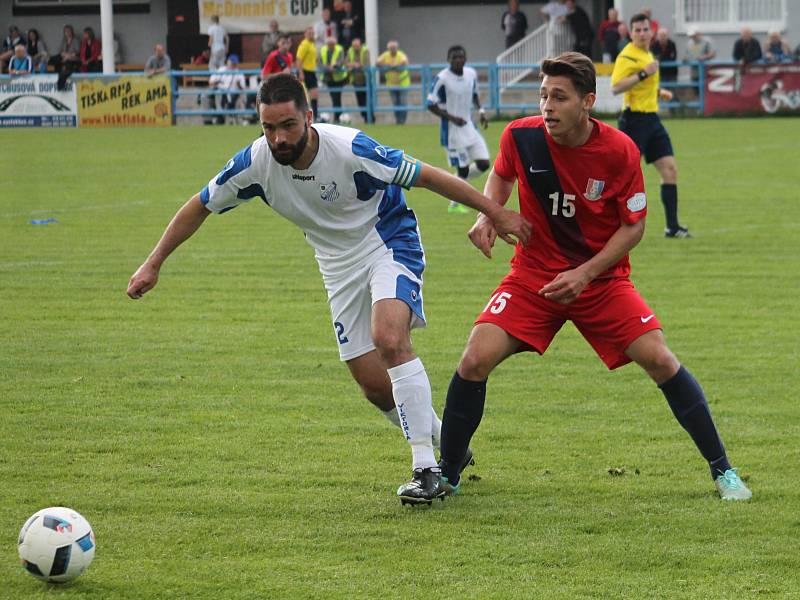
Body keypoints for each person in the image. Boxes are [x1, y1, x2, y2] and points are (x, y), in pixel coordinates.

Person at [126, 73, 531, 506]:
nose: (278, 138)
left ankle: (426, 468)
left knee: (390, 339)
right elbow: (200, 204)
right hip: (336, 268)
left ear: (309, 117)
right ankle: (446, 440)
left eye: (288, 126)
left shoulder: (349, 148)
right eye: (268, 128)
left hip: (387, 242)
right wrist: (154, 263)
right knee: (375, 387)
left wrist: (495, 213)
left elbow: (428, 176)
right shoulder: (255, 163)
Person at [437, 52, 752, 504]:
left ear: (588, 101)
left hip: (601, 282)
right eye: (543, 95)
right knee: (473, 359)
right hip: (533, 277)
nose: (547, 106)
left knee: (661, 360)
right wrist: (490, 215)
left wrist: (584, 274)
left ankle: (724, 471)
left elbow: (634, 226)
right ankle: (447, 472)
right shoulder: (520, 136)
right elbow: (501, 175)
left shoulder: (620, 151)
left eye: (559, 97)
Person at [611, 13, 689, 238]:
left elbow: (642, 86)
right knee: (623, 178)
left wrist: (657, 91)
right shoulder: (627, 56)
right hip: (634, 121)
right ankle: (610, 224)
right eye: (638, 30)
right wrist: (644, 73)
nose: (642, 33)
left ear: (651, 31)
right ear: (631, 32)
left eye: (646, 30)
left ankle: (672, 227)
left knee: (670, 170)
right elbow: (616, 87)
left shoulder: (647, 53)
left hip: (652, 119)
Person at [427, 45, 490, 215]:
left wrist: (481, 111)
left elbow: (475, 94)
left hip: (469, 126)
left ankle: (455, 183)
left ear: (465, 58)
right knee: (462, 169)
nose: (458, 60)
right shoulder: (442, 78)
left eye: (461, 57)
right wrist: (452, 118)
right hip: (452, 132)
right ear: (448, 60)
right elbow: (430, 104)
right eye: (454, 57)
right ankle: (454, 203)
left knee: (484, 163)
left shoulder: (471, 74)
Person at [377, 40, 410, 125]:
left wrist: (395, 65)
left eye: (394, 48)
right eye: (391, 48)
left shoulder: (400, 54)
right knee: (395, 103)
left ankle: (402, 121)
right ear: (388, 49)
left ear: (397, 48)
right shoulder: (385, 55)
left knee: (403, 103)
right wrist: (385, 65)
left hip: (403, 83)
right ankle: (398, 121)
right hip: (391, 84)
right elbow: (377, 63)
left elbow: (404, 61)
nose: (392, 49)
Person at [208, 54, 247, 124]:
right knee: (215, 93)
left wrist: (239, 85)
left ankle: (239, 119)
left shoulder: (239, 73)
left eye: (235, 63)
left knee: (241, 96)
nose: (233, 65)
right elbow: (211, 82)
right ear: (228, 62)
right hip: (221, 92)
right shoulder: (221, 70)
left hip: (233, 94)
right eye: (232, 63)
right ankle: (219, 116)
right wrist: (217, 81)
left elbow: (243, 88)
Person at [320, 36, 347, 123]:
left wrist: (334, 67)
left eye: (332, 44)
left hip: (338, 77)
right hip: (328, 77)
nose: (331, 46)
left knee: (336, 96)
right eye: (329, 44)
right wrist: (328, 68)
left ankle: (337, 116)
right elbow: (320, 62)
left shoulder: (339, 49)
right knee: (334, 96)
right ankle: (337, 116)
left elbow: (340, 60)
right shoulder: (323, 49)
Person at [346, 37, 373, 124]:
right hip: (356, 80)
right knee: (360, 101)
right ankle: (365, 117)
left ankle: (370, 118)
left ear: (360, 45)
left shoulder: (365, 51)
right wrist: (354, 64)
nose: (355, 47)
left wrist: (357, 65)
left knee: (368, 100)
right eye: (354, 46)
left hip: (366, 79)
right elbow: (346, 62)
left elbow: (366, 63)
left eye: (357, 46)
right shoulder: (350, 51)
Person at [296, 26, 320, 120]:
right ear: (305, 34)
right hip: (305, 71)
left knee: (314, 95)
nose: (311, 35)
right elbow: (298, 59)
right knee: (304, 96)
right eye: (309, 33)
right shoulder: (304, 44)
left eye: (312, 33)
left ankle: (315, 116)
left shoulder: (312, 44)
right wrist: (301, 73)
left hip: (311, 71)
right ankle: (302, 116)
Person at [49, 24, 81, 90]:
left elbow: (77, 52)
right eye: (66, 31)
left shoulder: (76, 40)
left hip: (73, 58)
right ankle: (53, 73)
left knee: (67, 64)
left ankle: (61, 83)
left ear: (71, 31)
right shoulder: (64, 40)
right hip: (64, 56)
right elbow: (60, 50)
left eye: (68, 31)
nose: (67, 33)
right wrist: (64, 55)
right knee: (52, 59)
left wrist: (68, 56)